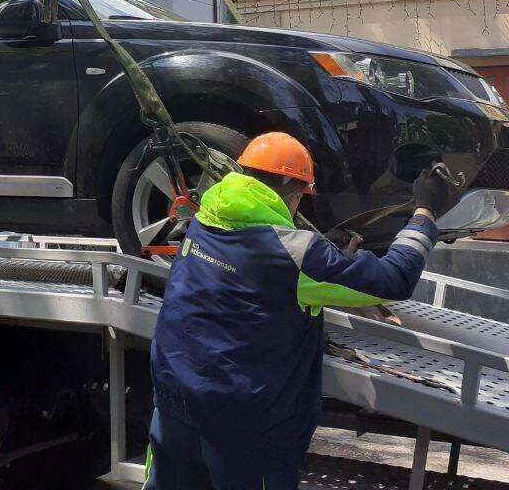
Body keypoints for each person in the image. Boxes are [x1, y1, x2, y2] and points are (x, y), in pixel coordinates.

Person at [144, 131, 454, 490]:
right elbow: (393, 278)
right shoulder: (298, 254)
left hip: (173, 395)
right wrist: (425, 212)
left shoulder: (204, 222)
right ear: (292, 191)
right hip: (243, 419)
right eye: (299, 198)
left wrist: (331, 258)